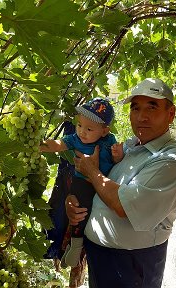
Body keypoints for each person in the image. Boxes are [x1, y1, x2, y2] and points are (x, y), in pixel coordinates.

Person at [65, 78, 176, 288]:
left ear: (171, 114)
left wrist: (92, 171)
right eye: (135, 108)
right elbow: (103, 187)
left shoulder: (171, 160)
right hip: (102, 258)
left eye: (152, 107)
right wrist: (74, 202)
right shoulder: (130, 148)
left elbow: (124, 204)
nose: (142, 116)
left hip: (132, 266)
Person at [40, 98, 124, 268]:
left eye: (89, 129)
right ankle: (75, 244)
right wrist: (38, 145)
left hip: (103, 185)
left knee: (88, 215)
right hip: (82, 183)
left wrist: (117, 155)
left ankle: (76, 246)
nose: (82, 132)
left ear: (104, 130)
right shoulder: (75, 140)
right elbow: (58, 145)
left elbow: (117, 161)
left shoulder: (109, 141)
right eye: (79, 125)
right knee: (79, 210)